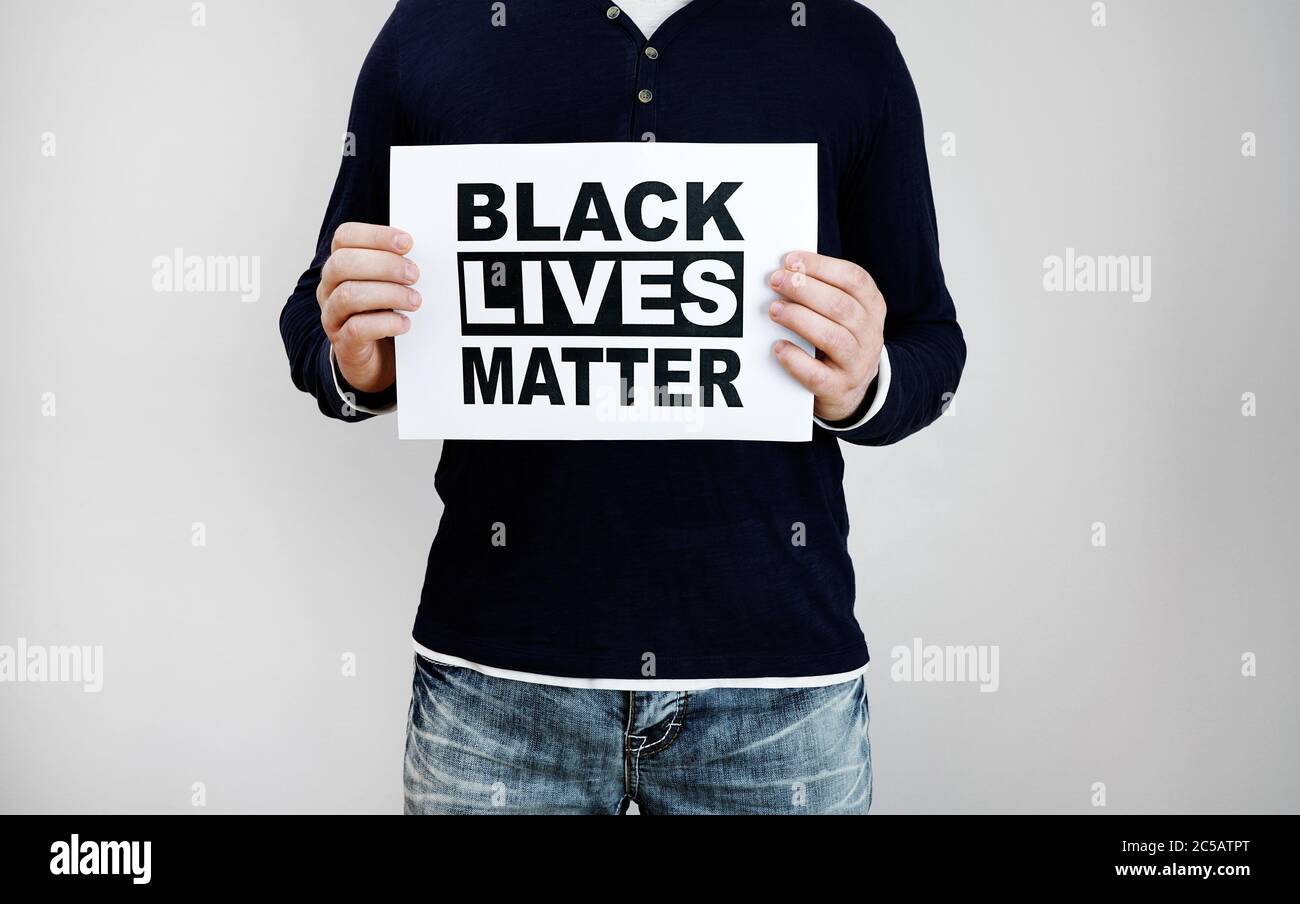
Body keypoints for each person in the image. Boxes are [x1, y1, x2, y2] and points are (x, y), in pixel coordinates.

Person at [280, 0, 965, 815]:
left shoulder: (844, 41)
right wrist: (358, 361)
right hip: (494, 685)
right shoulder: (436, 24)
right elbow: (316, 313)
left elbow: (932, 343)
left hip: (777, 691)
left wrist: (864, 381)